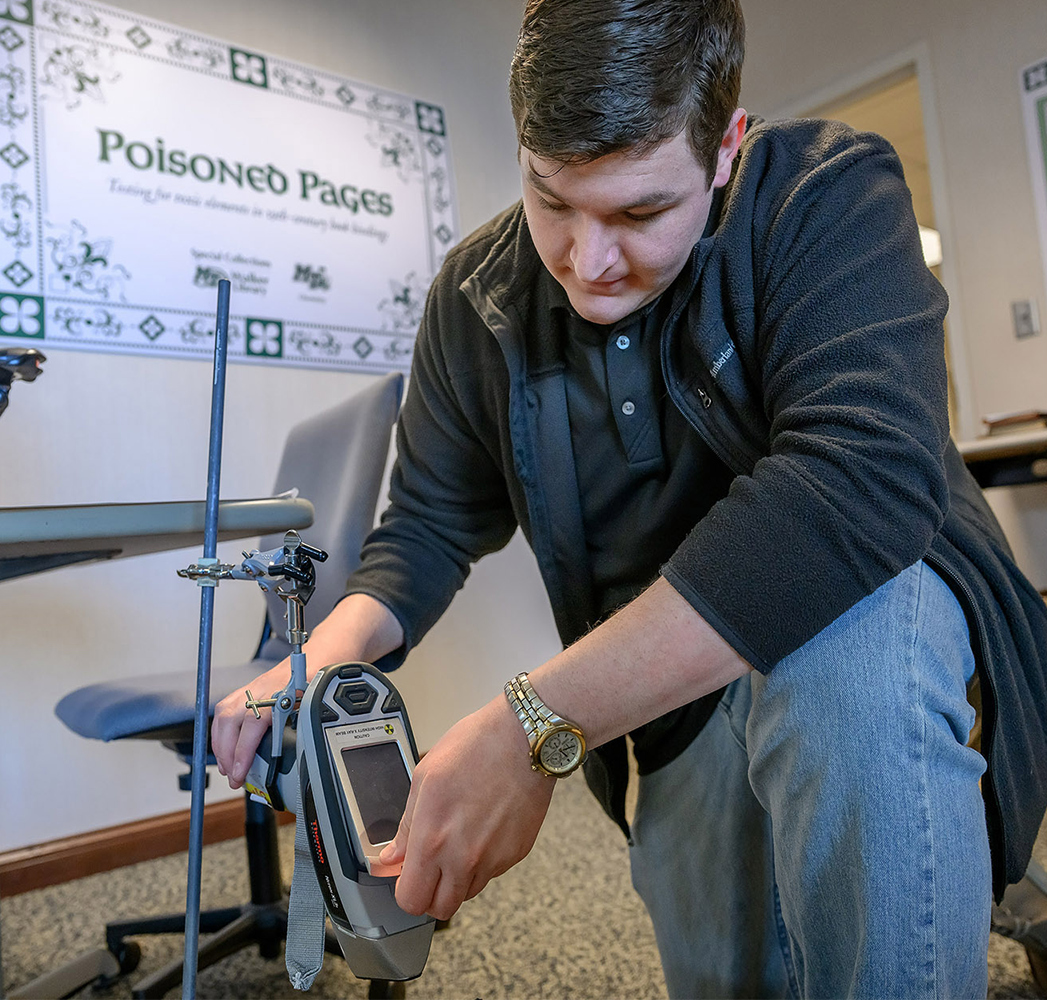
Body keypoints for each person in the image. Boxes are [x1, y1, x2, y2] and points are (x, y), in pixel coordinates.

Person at [213, 1, 1047, 996]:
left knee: (845, 661)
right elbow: (429, 523)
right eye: (551, 199)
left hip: (860, 614)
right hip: (661, 696)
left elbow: (854, 483)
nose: (587, 260)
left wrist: (530, 727)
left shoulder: (825, 190)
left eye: (640, 215)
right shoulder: (472, 298)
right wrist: (319, 653)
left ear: (725, 148)